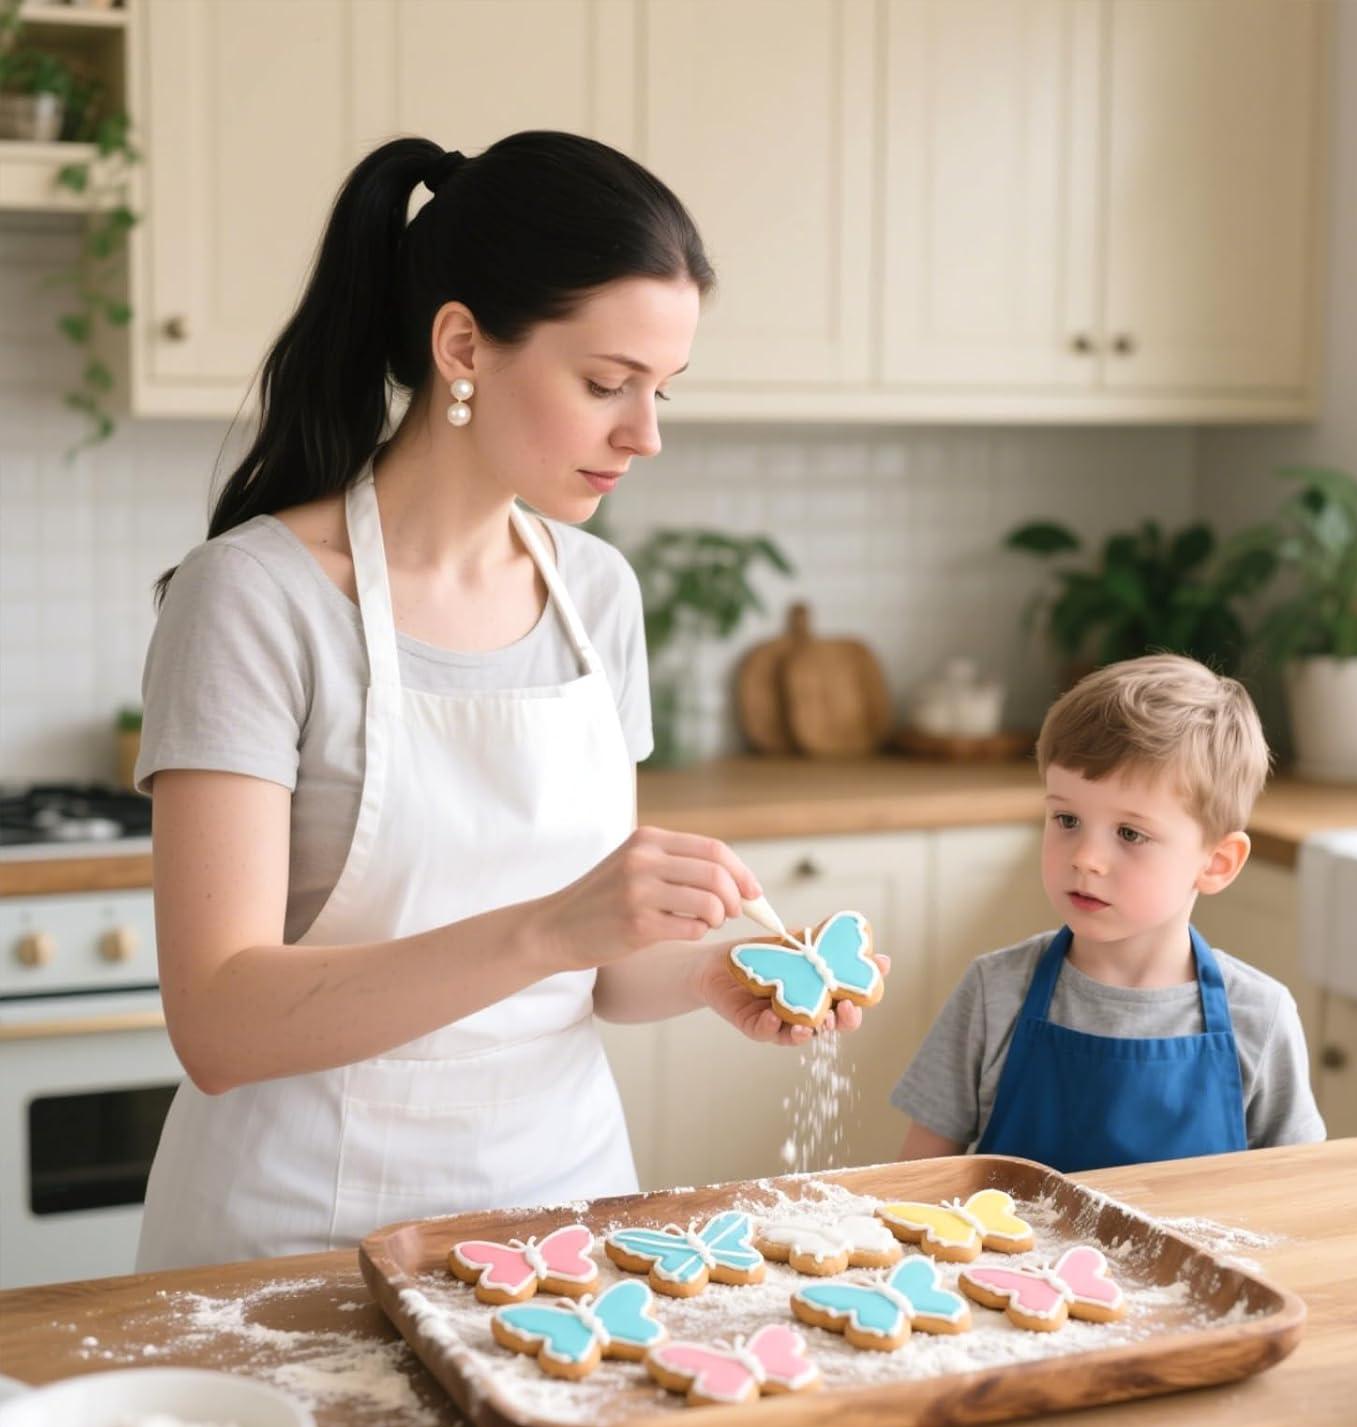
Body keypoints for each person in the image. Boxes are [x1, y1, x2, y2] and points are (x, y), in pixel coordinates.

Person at [134, 131, 874, 1272]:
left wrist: (708, 973)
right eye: (606, 383)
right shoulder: (255, 599)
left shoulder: (596, 595)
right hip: (297, 1240)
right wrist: (551, 927)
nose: (647, 433)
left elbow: (586, 973)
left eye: (663, 389)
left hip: (559, 1225)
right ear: (463, 344)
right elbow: (221, 1026)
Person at [892, 654, 1324, 1173]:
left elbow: (1297, 1199)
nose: (1085, 858)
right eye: (1067, 819)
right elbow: (911, 1188)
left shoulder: (1260, 1018)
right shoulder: (994, 993)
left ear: (1216, 863)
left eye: (1130, 833)